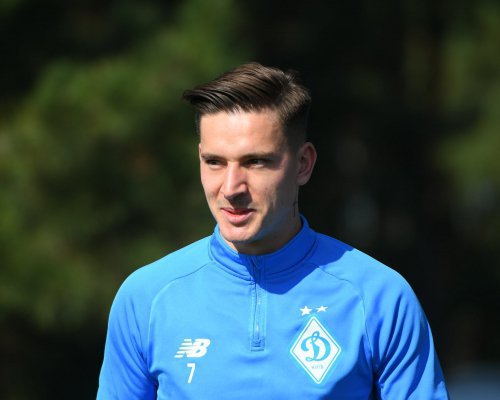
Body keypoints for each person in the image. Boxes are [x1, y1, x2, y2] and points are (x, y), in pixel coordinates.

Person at [97, 62, 449, 399]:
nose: (231, 187)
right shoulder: (146, 298)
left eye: (256, 162)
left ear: (303, 164)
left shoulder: (380, 297)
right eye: (214, 162)